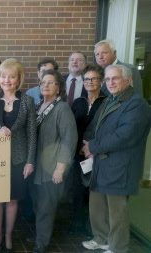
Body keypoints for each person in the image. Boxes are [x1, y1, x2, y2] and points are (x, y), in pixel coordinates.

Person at [81, 65, 151, 253]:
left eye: (115, 78)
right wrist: (88, 144)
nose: (110, 82)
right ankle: (101, 239)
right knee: (98, 205)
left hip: (120, 165)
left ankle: (118, 247)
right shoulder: (110, 100)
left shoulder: (137, 104)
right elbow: (97, 127)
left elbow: (125, 135)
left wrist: (93, 146)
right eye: (108, 79)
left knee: (117, 211)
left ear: (128, 80)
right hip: (101, 163)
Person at [0, 59, 37, 253]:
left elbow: (31, 133)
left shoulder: (28, 101)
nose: (7, 80)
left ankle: (9, 235)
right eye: (3, 76)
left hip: (18, 159)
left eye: (12, 76)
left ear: (18, 79)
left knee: (12, 200)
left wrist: (30, 161)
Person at [33, 69, 77, 253]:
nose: (46, 85)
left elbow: (69, 139)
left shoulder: (62, 108)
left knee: (46, 207)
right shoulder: (39, 106)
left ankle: (41, 243)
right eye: (43, 82)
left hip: (52, 168)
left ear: (59, 88)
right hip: (37, 166)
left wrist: (60, 168)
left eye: (51, 82)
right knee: (38, 205)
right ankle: (40, 235)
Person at [68, 64, 106, 235]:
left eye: (94, 79)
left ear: (101, 81)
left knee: (93, 193)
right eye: (87, 79)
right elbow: (71, 127)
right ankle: (76, 224)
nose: (90, 82)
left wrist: (92, 147)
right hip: (78, 154)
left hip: (97, 154)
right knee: (77, 190)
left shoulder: (106, 103)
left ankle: (92, 228)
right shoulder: (78, 102)